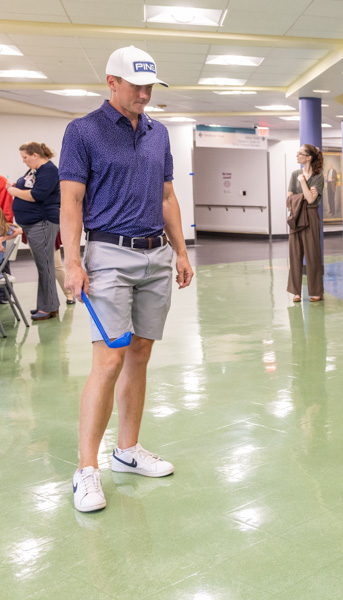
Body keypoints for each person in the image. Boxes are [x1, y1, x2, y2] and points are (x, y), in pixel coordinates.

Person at [60, 45, 194, 513]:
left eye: (149, 85)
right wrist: (72, 262)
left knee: (140, 353)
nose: (144, 93)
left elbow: (167, 197)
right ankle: (86, 469)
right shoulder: (83, 132)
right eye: (135, 84)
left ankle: (128, 450)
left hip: (156, 255)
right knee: (110, 357)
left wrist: (180, 251)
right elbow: (71, 202)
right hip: (109, 255)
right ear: (111, 82)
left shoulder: (159, 134)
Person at [5, 142, 62, 321]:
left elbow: (37, 195)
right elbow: (30, 188)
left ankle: (48, 308)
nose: (23, 161)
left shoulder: (49, 171)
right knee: (43, 266)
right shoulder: (35, 171)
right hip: (34, 224)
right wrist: (18, 185)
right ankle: (47, 305)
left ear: (35, 155)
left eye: (25, 157)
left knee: (45, 266)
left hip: (42, 223)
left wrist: (14, 191)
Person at [287, 144, 324, 303]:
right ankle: (296, 292)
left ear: (308, 157)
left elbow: (311, 201)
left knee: (312, 254)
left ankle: (316, 291)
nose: (297, 155)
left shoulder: (318, 177)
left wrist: (302, 182)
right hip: (296, 216)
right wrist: (306, 194)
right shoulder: (294, 173)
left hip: (311, 215)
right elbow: (289, 200)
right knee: (295, 254)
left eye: (300, 153)